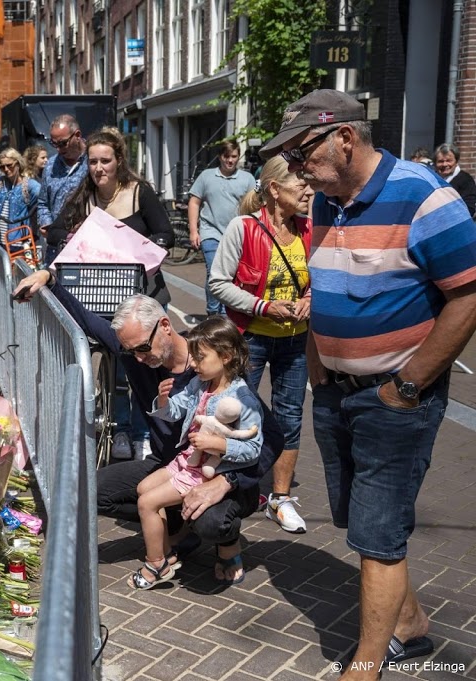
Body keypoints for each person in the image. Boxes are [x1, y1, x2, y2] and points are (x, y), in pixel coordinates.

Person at [259, 88, 476, 680]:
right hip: (336, 391)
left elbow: (468, 296)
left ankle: (367, 664)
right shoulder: (330, 200)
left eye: (303, 153)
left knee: (379, 534)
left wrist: (408, 385)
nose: (298, 170)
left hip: (395, 398)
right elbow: (324, 287)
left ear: (345, 139)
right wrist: (318, 359)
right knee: (359, 520)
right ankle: (410, 627)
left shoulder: (426, 197)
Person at [11, 275, 285, 585]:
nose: (139, 358)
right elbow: (87, 321)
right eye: (132, 351)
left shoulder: (213, 370)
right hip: (171, 466)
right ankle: (177, 530)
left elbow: (271, 439)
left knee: (211, 521)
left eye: (143, 348)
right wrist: (49, 279)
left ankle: (225, 543)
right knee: (91, 490)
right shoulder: (134, 350)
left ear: (165, 326)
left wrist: (228, 481)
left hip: (218, 472)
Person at [47, 126, 175, 459]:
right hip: (101, 292)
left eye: (105, 161)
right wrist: (71, 233)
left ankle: (144, 430)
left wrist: (147, 250)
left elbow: (165, 233)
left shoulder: (139, 192)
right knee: (117, 360)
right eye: (93, 162)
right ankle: (120, 429)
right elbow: (55, 231)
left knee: (144, 364)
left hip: (141, 294)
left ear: (119, 161)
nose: (98, 168)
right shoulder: (84, 195)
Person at [209, 156, 313, 534]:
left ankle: (280, 499)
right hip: (250, 339)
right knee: (236, 414)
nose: (308, 189)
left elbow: (319, 278)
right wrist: (264, 306)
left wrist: (310, 300)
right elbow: (218, 283)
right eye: (299, 183)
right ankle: (234, 489)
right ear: (273, 189)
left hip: (294, 341)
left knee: (290, 417)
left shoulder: (309, 229)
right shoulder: (243, 227)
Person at [130, 316, 263, 590]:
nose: (192, 364)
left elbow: (253, 448)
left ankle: (155, 565)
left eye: (200, 357)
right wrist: (164, 401)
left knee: (147, 504)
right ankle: (167, 554)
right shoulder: (200, 384)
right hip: (186, 461)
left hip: (202, 471)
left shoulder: (243, 399)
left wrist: (218, 446)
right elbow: (175, 411)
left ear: (225, 356)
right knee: (144, 490)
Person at [187, 141, 256, 316]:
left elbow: (253, 205)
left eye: (234, 156)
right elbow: (194, 202)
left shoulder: (247, 179)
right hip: (210, 232)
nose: (230, 161)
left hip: (237, 234)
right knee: (214, 272)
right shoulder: (206, 176)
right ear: (220, 157)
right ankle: (213, 312)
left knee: (232, 275)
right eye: (227, 157)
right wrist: (194, 231)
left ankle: (226, 312)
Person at [36, 114, 88, 262]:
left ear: (77, 135)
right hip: (56, 248)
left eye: (63, 143)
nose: (59, 149)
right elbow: (43, 202)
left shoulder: (93, 161)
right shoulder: (51, 165)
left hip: (85, 249)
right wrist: (46, 222)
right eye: (54, 144)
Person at [0, 148, 41, 260]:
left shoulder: (30, 185)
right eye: (2, 167)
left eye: (9, 165)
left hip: (18, 243)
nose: (6, 169)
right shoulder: (0, 181)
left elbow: (45, 202)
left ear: (18, 163)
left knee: (17, 275)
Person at [433, 142, 476, 216]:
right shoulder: (431, 178)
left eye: (449, 161)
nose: (445, 164)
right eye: (440, 161)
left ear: (456, 162)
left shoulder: (466, 180)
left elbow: (469, 208)